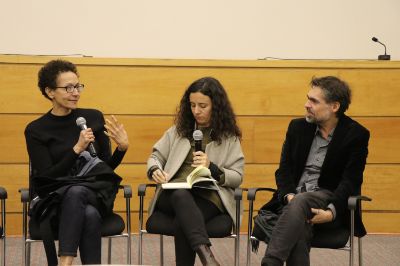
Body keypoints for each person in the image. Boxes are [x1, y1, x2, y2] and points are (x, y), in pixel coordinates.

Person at [24, 59, 129, 266]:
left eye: (78, 86)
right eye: (68, 87)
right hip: (56, 200)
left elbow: (105, 168)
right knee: (87, 212)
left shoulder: (93, 117)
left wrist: (122, 148)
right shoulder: (36, 130)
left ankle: (64, 262)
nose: (76, 92)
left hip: (95, 192)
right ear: (50, 91)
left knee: (78, 192)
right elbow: (47, 177)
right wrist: (76, 149)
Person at [260, 76, 370, 266]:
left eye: (314, 101)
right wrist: (288, 196)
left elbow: (350, 181)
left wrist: (330, 212)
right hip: (294, 201)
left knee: (302, 202)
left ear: (334, 107)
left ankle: (271, 262)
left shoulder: (356, 134)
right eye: (307, 98)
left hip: (328, 199)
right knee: (300, 223)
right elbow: (284, 170)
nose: (306, 105)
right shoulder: (297, 127)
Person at [147, 77, 244, 266]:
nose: (196, 111)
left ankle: (205, 256)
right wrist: (155, 170)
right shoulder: (177, 131)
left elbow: (237, 177)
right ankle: (207, 257)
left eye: (202, 106)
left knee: (183, 222)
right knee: (180, 194)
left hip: (208, 196)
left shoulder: (229, 137)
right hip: (172, 194)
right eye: (192, 105)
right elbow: (155, 157)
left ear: (216, 106)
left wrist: (211, 167)